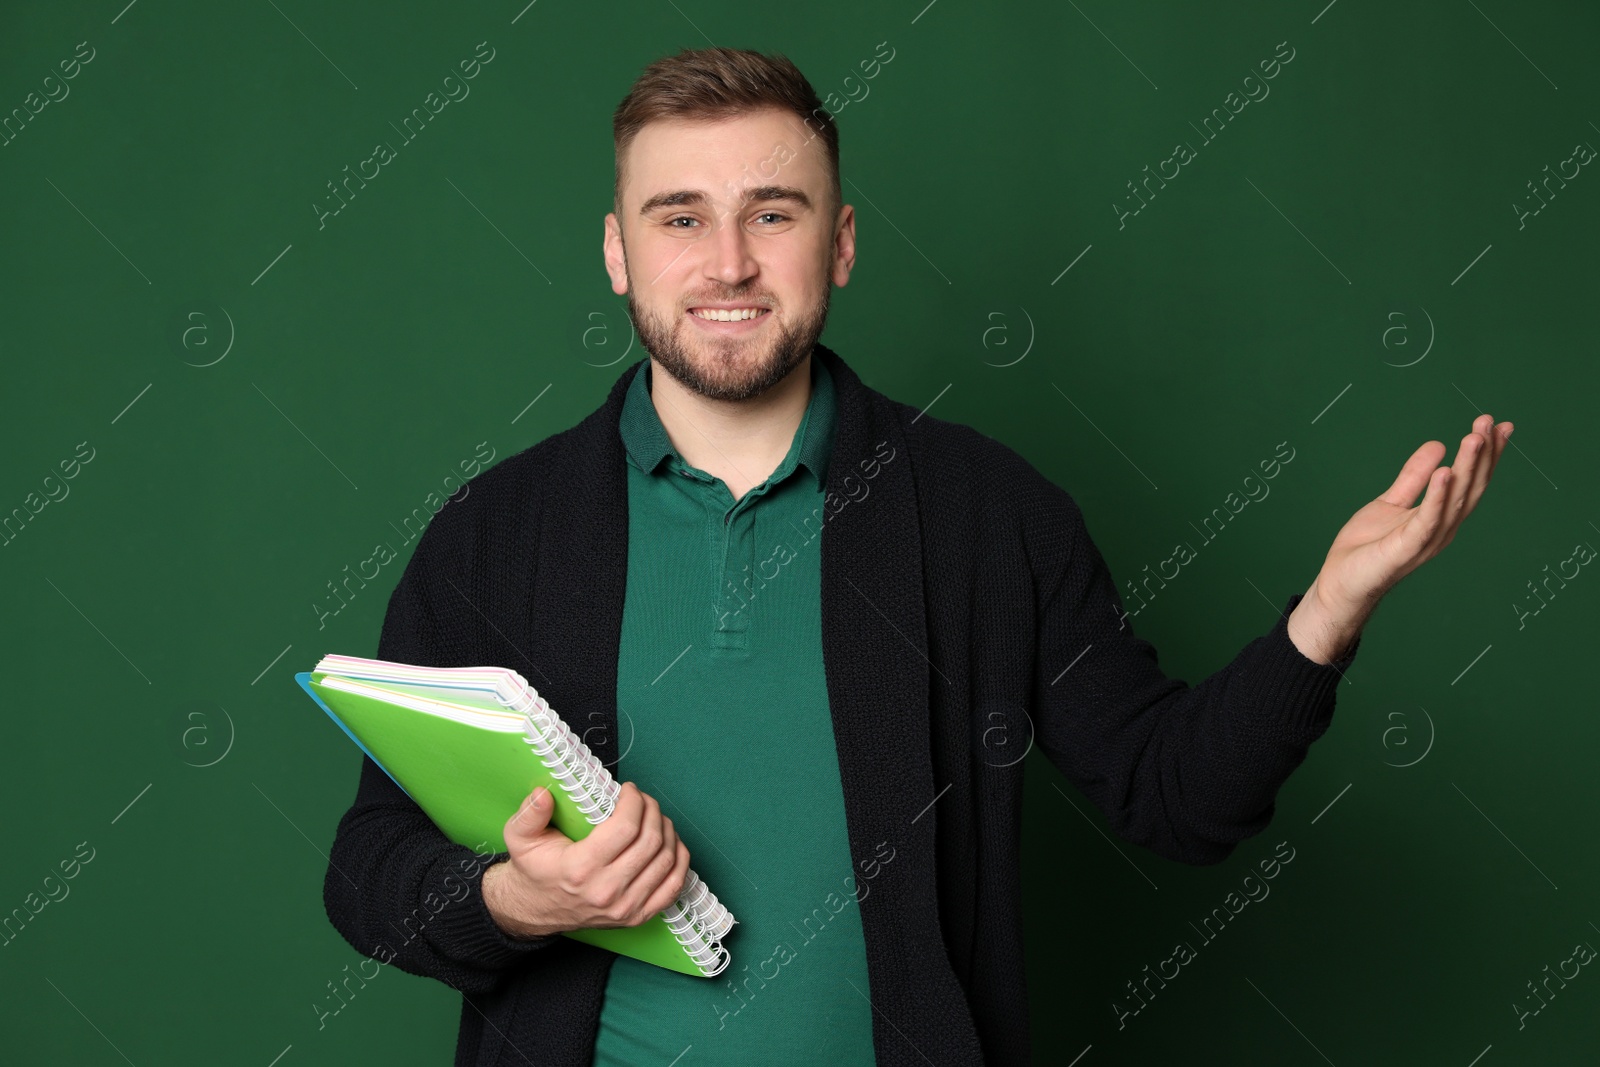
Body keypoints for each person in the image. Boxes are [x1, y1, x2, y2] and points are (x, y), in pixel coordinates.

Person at [322, 46, 1512, 1067]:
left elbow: (1175, 795)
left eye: (771, 213)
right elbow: (368, 871)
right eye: (678, 216)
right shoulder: (493, 531)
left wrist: (1329, 608)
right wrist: (510, 899)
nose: (728, 262)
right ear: (616, 253)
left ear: (837, 244)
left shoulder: (987, 511)